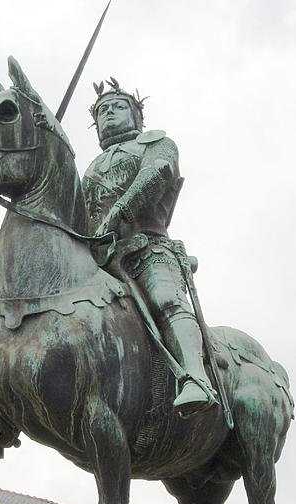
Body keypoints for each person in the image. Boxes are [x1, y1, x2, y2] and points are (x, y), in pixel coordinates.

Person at [82, 79, 217, 416]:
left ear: (137, 115)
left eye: (117, 106)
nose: (108, 113)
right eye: (102, 111)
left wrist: (116, 214)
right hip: (98, 261)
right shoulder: (88, 171)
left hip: (145, 250)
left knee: (167, 299)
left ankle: (195, 378)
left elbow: (158, 174)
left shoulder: (155, 143)